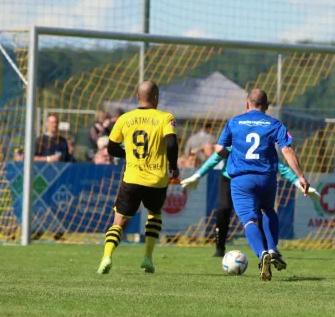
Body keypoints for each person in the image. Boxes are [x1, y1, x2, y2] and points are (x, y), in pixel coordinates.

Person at [214, 89, 308, 281]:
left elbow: (219, 149)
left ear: (247, 104)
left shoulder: (234, 122)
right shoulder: (274, 124)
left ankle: (261, 253)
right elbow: (287, 151)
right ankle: (272, 249)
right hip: (266, 178)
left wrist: (230, 154)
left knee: (249, 219)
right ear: (266, 106)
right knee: (268, 211)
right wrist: (300, 176)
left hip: (242, 179)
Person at [97, 81, 179, 275]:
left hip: (132, 177)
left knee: (119, 222)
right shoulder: (165, 118)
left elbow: (111, 148)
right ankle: (148, 258)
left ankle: (107, 256)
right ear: (157, 98)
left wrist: (129, 155)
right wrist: (174, 167)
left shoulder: (125, 118)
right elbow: (172, 144)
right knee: (154, 214)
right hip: (157, 179)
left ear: (137, 97)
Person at [181, 146, 320, 257]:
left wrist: (297, 182)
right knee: (224, 209)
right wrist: (197, 175)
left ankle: (267, 249)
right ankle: (220, 247)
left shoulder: (262, 144)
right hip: (228, 179)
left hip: (250, 180)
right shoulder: (236, 138)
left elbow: (280, 166)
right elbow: (216, 157)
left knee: (260, 213)